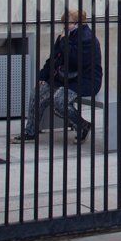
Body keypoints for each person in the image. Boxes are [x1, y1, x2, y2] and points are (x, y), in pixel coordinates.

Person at [12, 9, 102, 144]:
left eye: (67, 23)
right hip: (64, 77)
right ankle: (30, 132)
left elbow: (75, 60)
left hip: (85, 80)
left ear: (78, 23)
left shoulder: (87, 38)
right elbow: (53, 59)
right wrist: (42, 77)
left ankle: (83, 126)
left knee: (59, 101)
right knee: (37, 94)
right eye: (63, 22)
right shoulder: (65, 36)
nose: (64, 26)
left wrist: (64, 41)